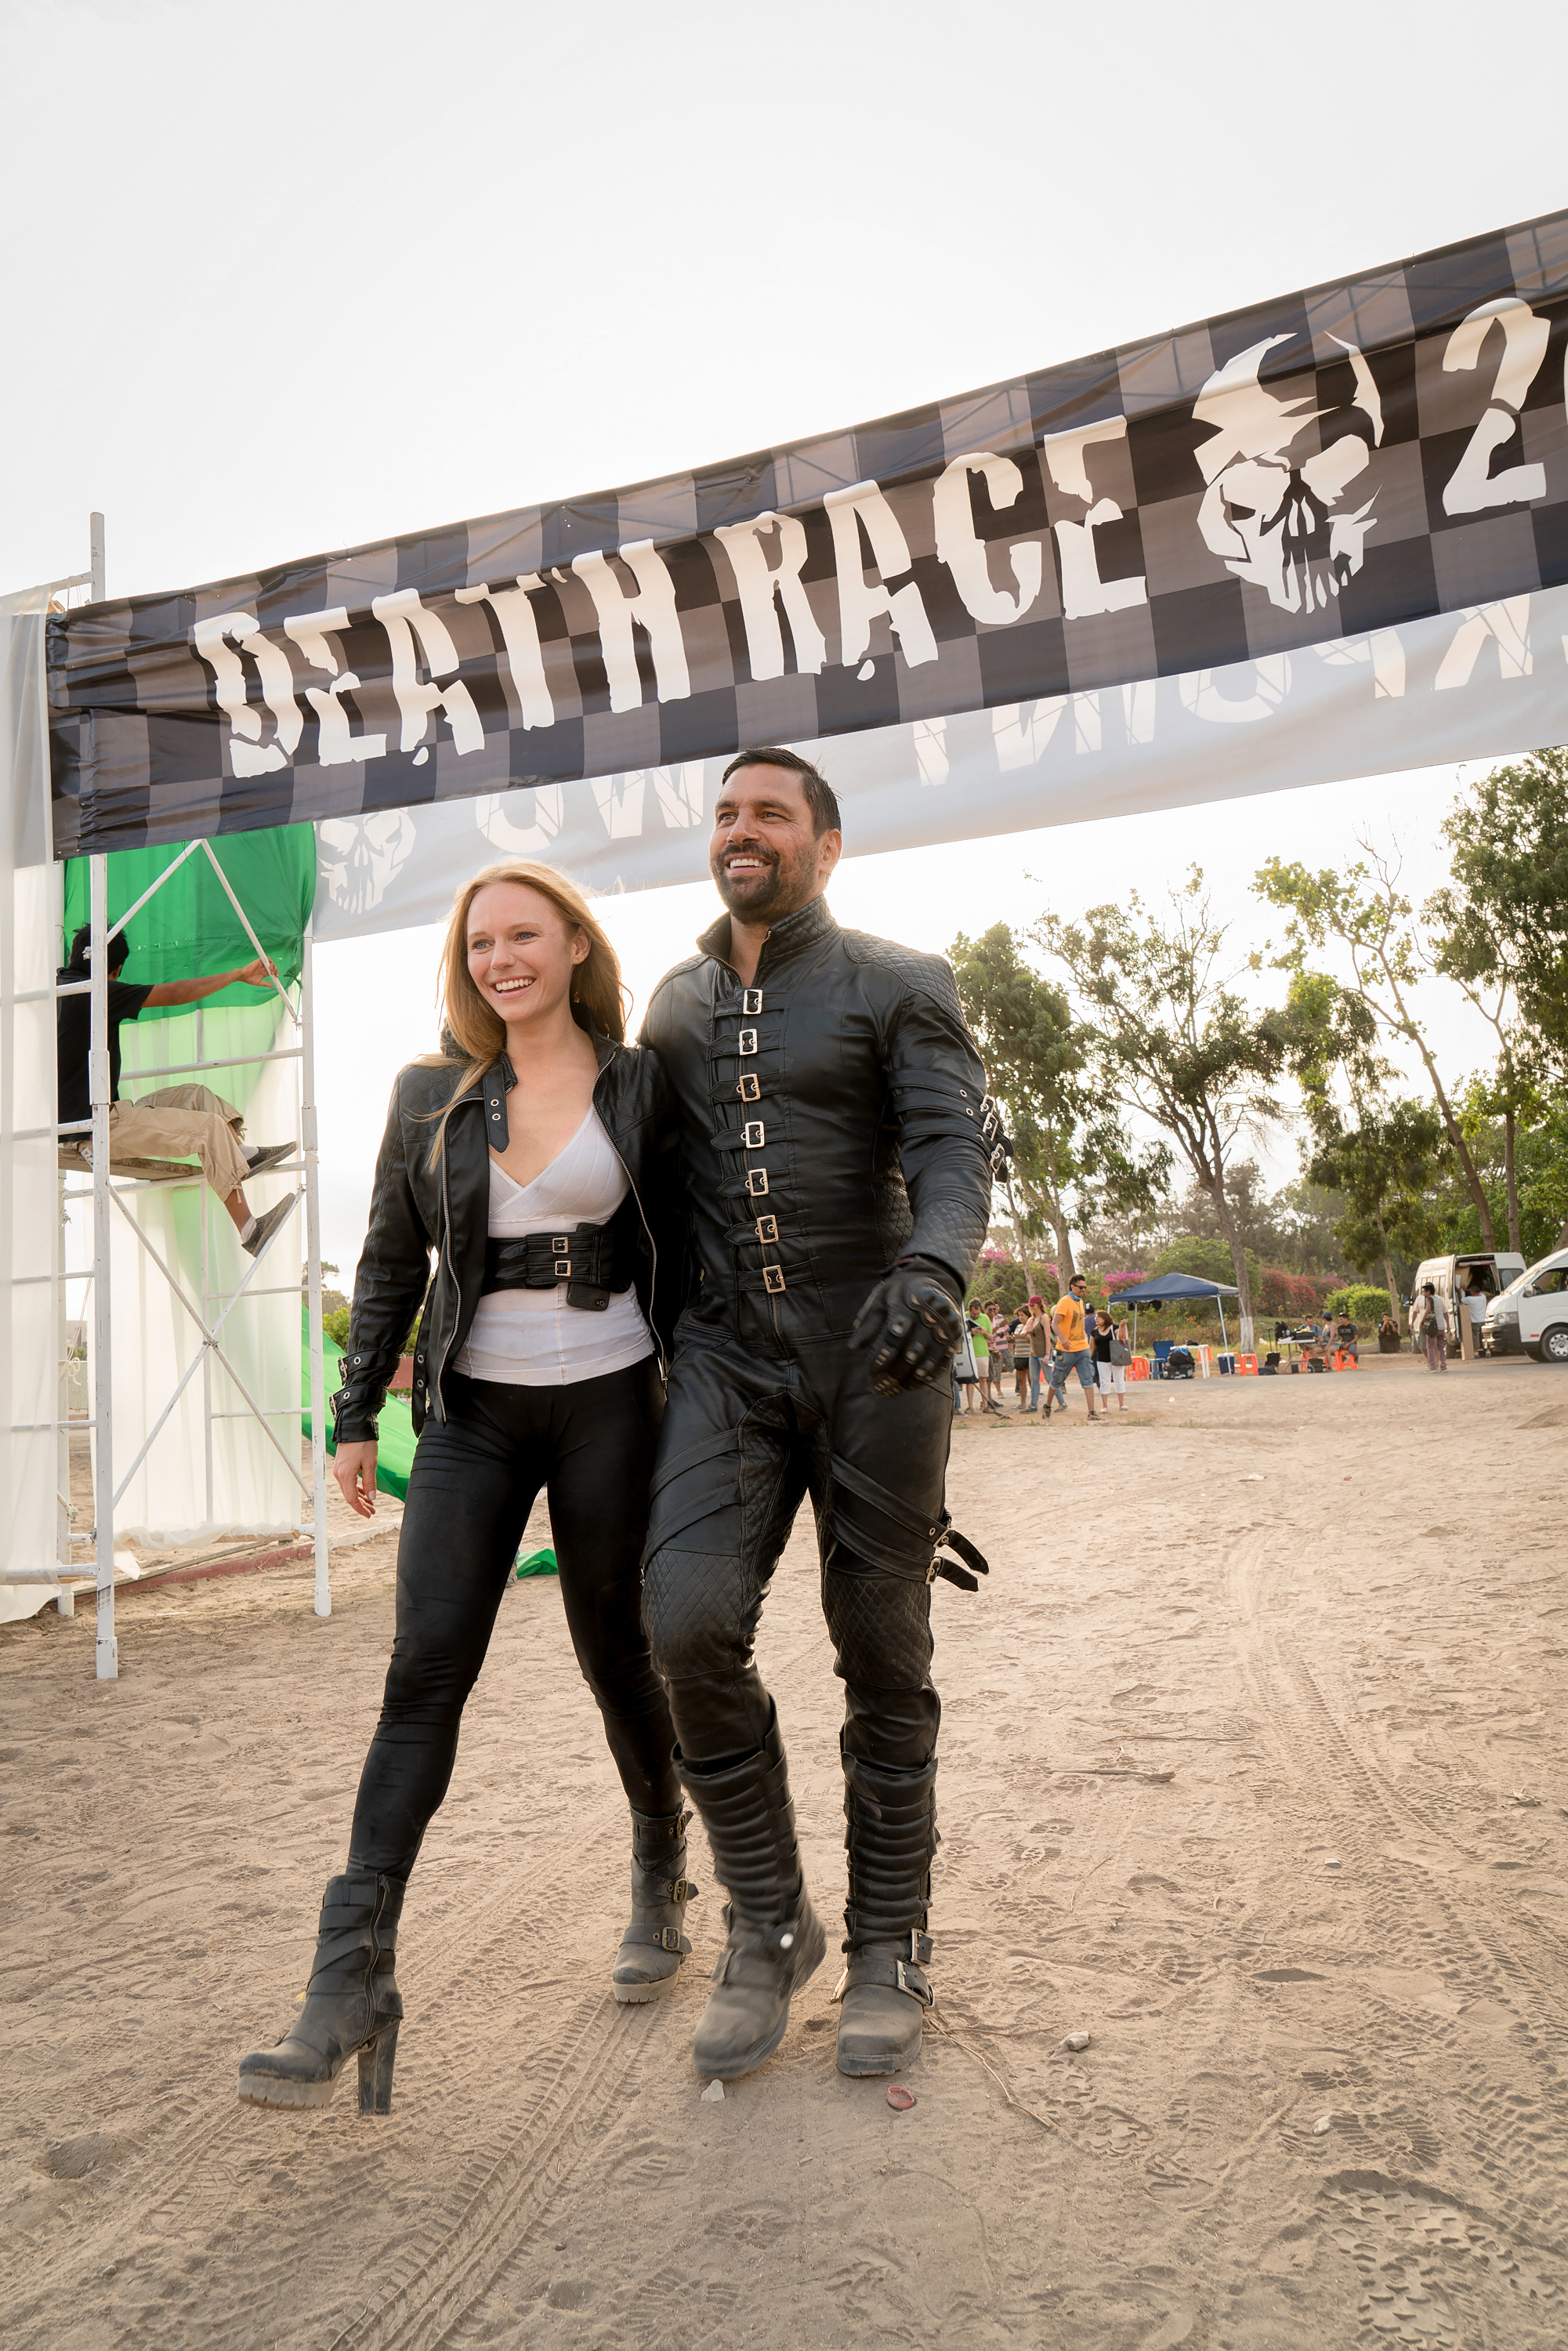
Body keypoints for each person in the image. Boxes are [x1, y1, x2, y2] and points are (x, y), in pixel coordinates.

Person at [238, 862, 689, 2115]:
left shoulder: (644, 1079)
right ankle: (347, 1981)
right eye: (481, 941)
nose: (501, 959)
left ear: (573, 945)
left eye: (524, 936)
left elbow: (692, 1246)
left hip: (614, 1402)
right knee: (421, 1670)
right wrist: (348, 1422)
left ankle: (662, 1860)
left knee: (617, 1654)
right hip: (471, 1414)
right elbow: (390, 1258)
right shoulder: (430, 1095)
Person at [637, 746, 994, 2085]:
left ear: (824, 847)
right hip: (726, 1367)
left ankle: (890, 1944)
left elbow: (958, 1153)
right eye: (726, 813)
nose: (743, 830)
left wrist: (931, 1270)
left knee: (878, 1643)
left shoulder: (900, 981)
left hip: (878, 1361)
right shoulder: (667, 1007)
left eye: (770, 815)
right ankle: (767, 1923)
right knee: (685, 1623)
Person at [56, 922, 294, 1255]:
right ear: (116, 970)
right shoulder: (99, 991)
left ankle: (239, 1154)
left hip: (107, 1114)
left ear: (72, 954)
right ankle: (250, 1231)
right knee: (209, 1130)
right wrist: (238, 974)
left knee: (195, 1095)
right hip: (96, 1131)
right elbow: (177, 994)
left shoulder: (56, 988)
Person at [1048, 1273, 1099, 1421]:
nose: (1083, 1290)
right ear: (1072, 1286)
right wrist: (1062, 1339)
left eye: (1085, 1287)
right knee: (1057, 1380)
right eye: (1080, 1287)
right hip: (1066, 1349)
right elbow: (1054, 1323)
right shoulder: (1064, 1302)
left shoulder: (1080, 1302)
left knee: (1088, 1379)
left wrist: (1084, 1337)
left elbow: (1080, 1322)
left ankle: (1092, 1412)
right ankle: (1047, 1406)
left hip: (1082, 1347)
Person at [1092, 1309, 1128, 1415]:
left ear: (1104, 1318)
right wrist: (1088, 1359)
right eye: (1096, 1318)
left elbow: (1122, 1338)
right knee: (1104, 1382)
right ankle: (1104, 1406)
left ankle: (1121, 1404)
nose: (1096, 1319)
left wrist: (1122, 1327)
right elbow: (1092, 1346)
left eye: (1098, 1317)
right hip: (1101, 1360)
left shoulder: (1114, 1328)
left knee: (1119, 1380)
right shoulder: (1094, 1332)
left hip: (1115, 1358)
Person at [1415, 1281, 1447, 1372]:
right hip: (1441, 1326)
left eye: (1424, 1292)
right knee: (1441, 1347)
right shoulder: (1440, 1299)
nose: (1423, 1294)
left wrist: (1422, 1321)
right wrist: (1447, 1325)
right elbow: (1444, 1312)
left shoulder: (1428, 1299)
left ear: (1428, 1292)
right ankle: (1443, 1365)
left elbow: (1428, 1310)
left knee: (1430, 1347)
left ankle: (1432, 1366)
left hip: (1433, 1327)